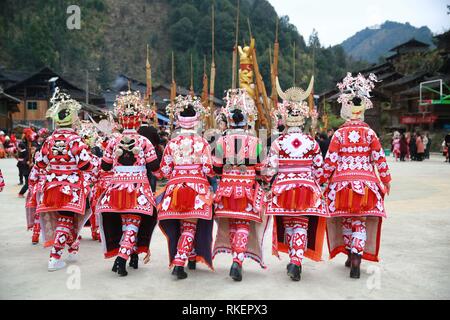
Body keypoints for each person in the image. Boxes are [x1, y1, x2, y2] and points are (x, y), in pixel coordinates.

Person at [321, 73, 391, 279]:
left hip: (342, 185)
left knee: (346, 220)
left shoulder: (339, 134)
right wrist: (386, 180)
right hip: (367, 184)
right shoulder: (370, 134)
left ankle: (351, 253)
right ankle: (356, 257)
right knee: (359, 221)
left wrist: (321, 181)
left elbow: (330, 161)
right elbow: (379, 158)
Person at [263, 76, 328, 281]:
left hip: (283, 187)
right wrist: (320, 182)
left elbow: (271, 169)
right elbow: (319, 170)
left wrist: (263, 178)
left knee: (290, 222)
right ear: (303, 118)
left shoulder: (279, 142)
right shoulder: (311, 142)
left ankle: (294, 258)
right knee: (301, 223)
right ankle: (296, 260)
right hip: (306, 188)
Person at [95, 90, 160, 277]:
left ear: (120, 120)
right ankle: (122, 258)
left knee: (124, 223)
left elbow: (105, 167)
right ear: (138, 120)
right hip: (138, 188)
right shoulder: (144, 141)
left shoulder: (113, 141)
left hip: (115, 189)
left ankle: (132, 256)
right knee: (133, 223)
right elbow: (154, 166)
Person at [35, 88, 93, 271]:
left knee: (63, 218)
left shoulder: (49, 141)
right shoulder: (76, 140)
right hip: (72, 187)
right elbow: (85, 164)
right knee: (68, 219)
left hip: (52, 186)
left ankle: (72, 248)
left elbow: (40, 163)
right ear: (72, 119)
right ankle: (55, 256)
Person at [156, 95, 214, 280]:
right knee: (190, 225)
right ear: (196, 121)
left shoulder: (172, 143)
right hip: (196, 188)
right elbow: (208, 169)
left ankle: (188, 257)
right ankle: (180, 263)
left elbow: (164, 170)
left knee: (181, 225)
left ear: (179, 121)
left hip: (175, 188)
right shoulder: (202, 143)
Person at [211, 89, 267, 281]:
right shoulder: (255, 141)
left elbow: (216, 167)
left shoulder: (221, 141)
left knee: (234, 223)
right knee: (243, 223)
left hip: (226, 190)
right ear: (247, 119)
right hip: (246, 190)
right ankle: (238, 259)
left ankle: (236, 257)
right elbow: (262, 168)